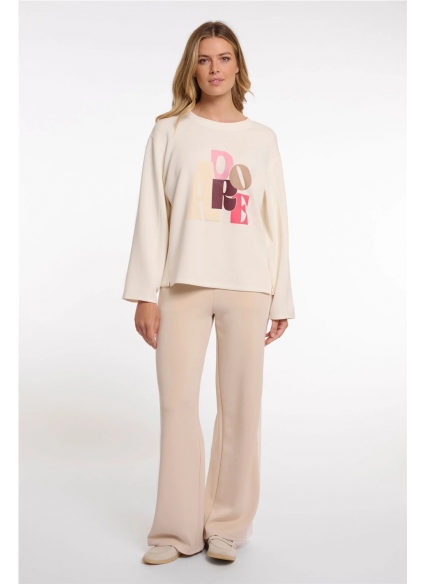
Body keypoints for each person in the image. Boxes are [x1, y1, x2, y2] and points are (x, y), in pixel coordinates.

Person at [122, 20, 295, 565]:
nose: (214, 68)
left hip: (248, 286)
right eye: (203, 59)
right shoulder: (169, 131)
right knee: (177, 405)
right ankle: (176, 531)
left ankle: (226, 526)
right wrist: (145, 293)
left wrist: (282, 298)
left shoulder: (262, 139)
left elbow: (276, 221)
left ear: (238, 66)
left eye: (223, 58)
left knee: (240, 408)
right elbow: (152, 213)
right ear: (191, 68)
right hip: (182, 285)